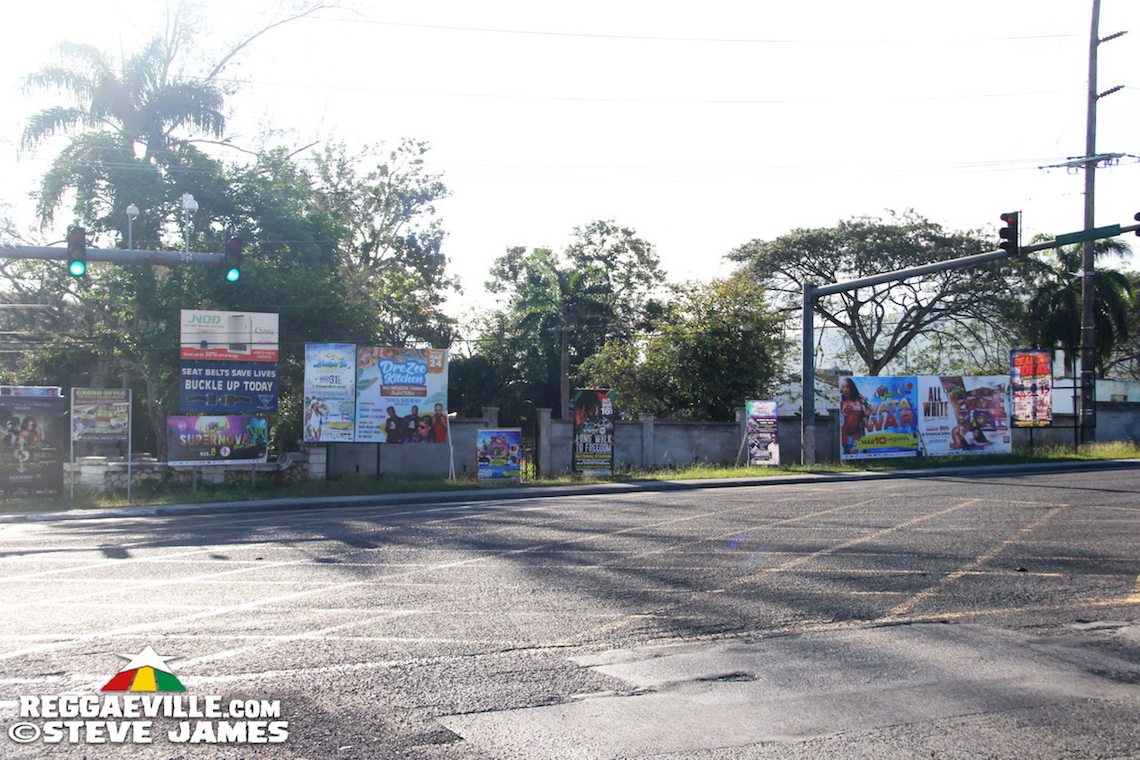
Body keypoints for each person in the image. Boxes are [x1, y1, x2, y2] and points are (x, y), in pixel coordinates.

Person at [839, 378, 867, 455]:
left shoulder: (859, 400)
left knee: (858, 452)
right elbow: (841, 417)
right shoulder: (841, 402)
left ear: (851, 387)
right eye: (843, 387)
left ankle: (860, 462)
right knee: (847, 452)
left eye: (847, 387)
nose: (845, 389)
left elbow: (865, 414)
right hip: (846, 433)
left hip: (858, 432)